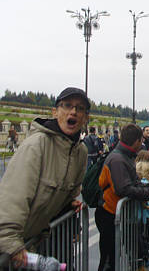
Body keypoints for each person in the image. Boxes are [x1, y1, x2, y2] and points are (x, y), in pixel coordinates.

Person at [0, 87, 90, 267]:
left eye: (80, 108)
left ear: (85, 118)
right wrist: (11, 243)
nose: (73, 111)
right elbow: (13, 197)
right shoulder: (37, 145)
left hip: (35, 242)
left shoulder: (80, 152)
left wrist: (67, 203)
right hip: (11, 248)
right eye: (67, 105)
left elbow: (70, 190)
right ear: (55, 112)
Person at [96, 124, 149, 271]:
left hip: (116, 213)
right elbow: (123, 189)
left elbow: (133, 183)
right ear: (137, 141)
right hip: (109, 214)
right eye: (141, 140)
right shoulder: (118, 159)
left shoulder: (123, 156)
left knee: (119, 255)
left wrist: (147, 188)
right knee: (109, 259)